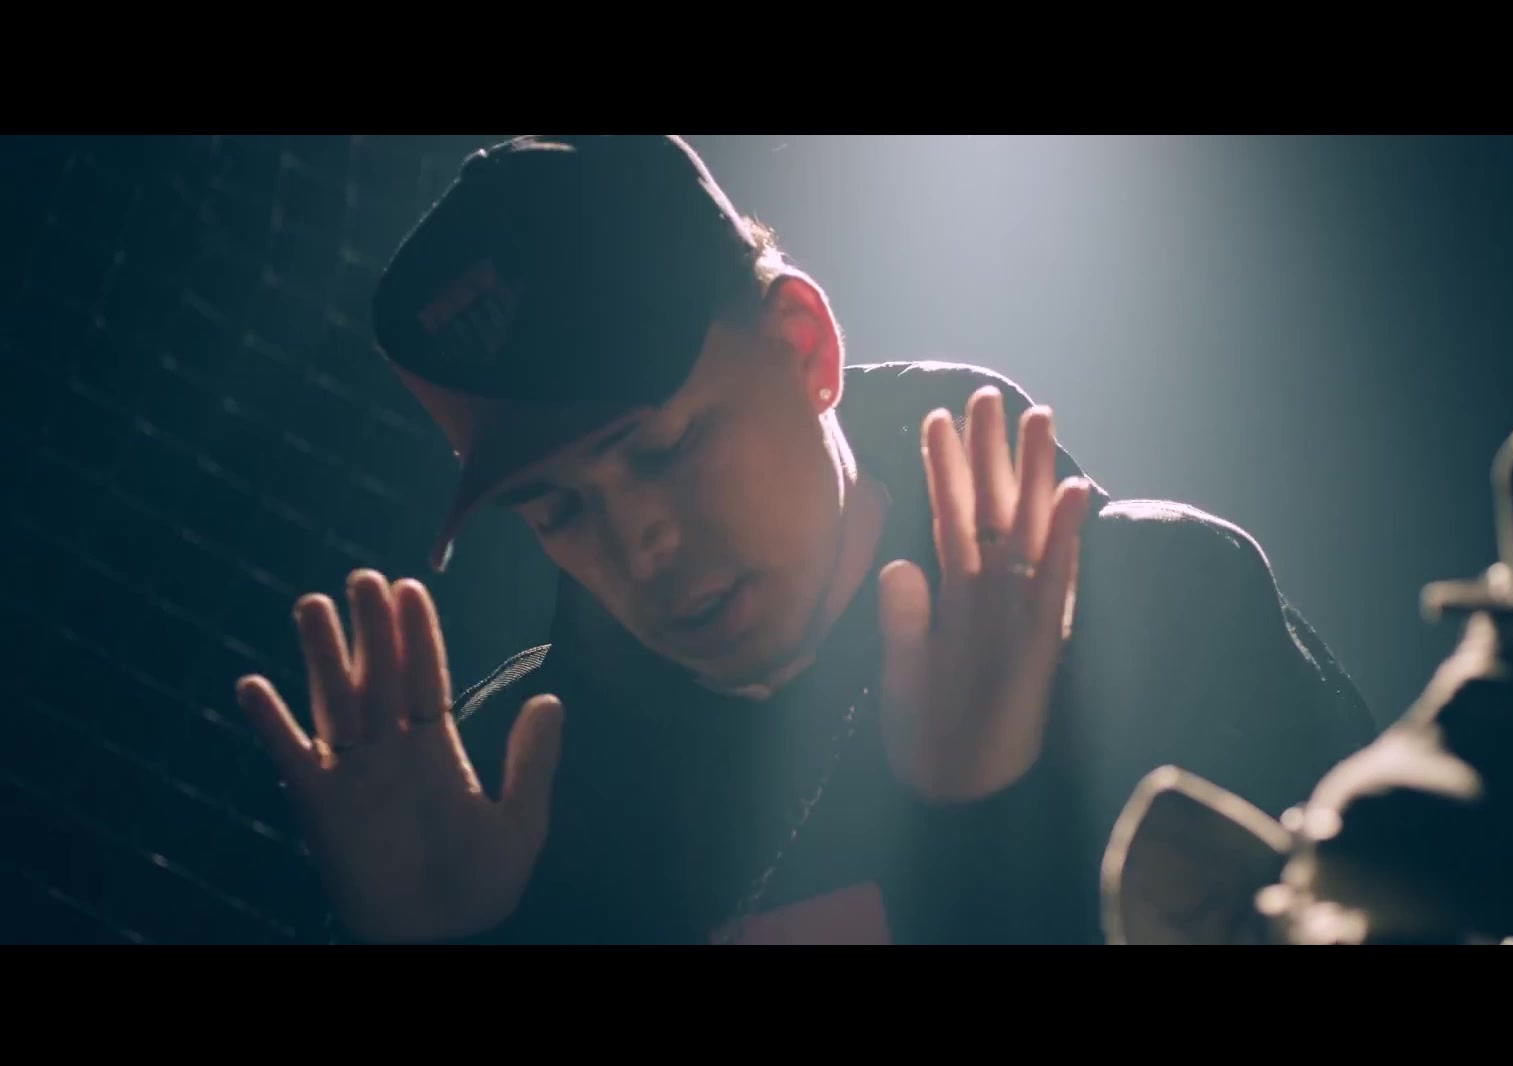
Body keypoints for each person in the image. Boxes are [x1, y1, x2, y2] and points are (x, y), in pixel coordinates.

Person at [234, 134, 1376, 944]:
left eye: (666, 448)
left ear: (803, 346)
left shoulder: (1148, 615)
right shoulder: (505, 790)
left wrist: (992, 826)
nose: (642, 541)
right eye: (558, 509)